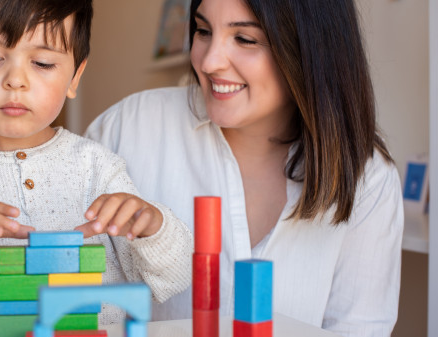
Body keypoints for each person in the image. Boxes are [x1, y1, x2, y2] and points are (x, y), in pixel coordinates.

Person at [85, 0, 404, 336]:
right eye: (204, 31)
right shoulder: (127, 129)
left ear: (311, 47)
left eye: (246, 40)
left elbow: (357, 329)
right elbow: (73, 299)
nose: (209, 62)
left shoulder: (368, 179)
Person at [0, 0, 193, 333]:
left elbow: (172, 280)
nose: (16, 80)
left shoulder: (98, 166)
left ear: (75, 76)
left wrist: (152, 226)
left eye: (42, 62)